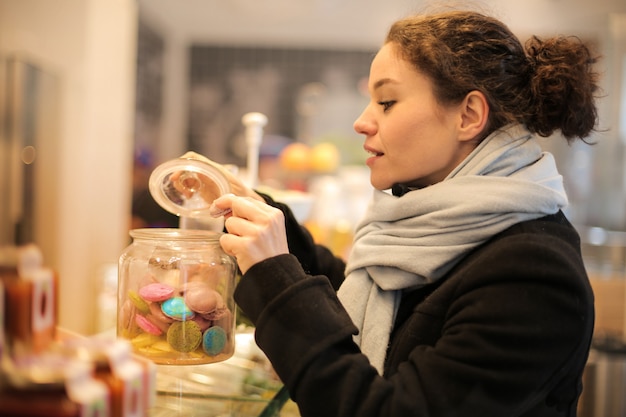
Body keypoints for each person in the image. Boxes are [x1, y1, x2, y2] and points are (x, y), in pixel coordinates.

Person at [207, 9, 598, 417]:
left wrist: (276, 280)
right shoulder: (438, 227)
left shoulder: (534, 275)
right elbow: (378, 303)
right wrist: (271, 227)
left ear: (468, 116)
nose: (362, 122)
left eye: (387, 102)